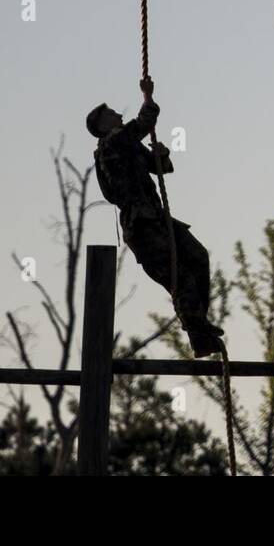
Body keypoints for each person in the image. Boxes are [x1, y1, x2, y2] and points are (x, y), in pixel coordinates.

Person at [87, 77, 225, 357]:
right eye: (111, 112)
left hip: (158, 219)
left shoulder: (127, 145)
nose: (118, 113)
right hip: (142, 226)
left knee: (198, 257)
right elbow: (144, 122)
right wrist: (148, 96)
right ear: (103, 125)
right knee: (180, 278)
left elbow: (161, 168)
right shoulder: (112, 144)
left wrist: (161, 155)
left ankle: (199, 329)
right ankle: (199, 333)